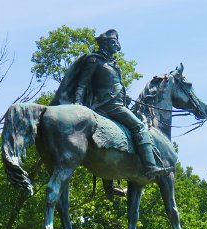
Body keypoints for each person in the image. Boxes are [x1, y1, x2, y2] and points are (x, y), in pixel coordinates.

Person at [51, 29, 172, 180]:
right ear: (106, 44)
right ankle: (150, 167)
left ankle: (110, 184)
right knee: (139, 126)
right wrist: (78, 104)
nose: (117, 46)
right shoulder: (94, 60)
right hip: (108, 105)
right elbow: (82, 84)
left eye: (116, 43)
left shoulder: (113, 63)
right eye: (113, 43)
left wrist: (123, 96)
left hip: (118, 103)